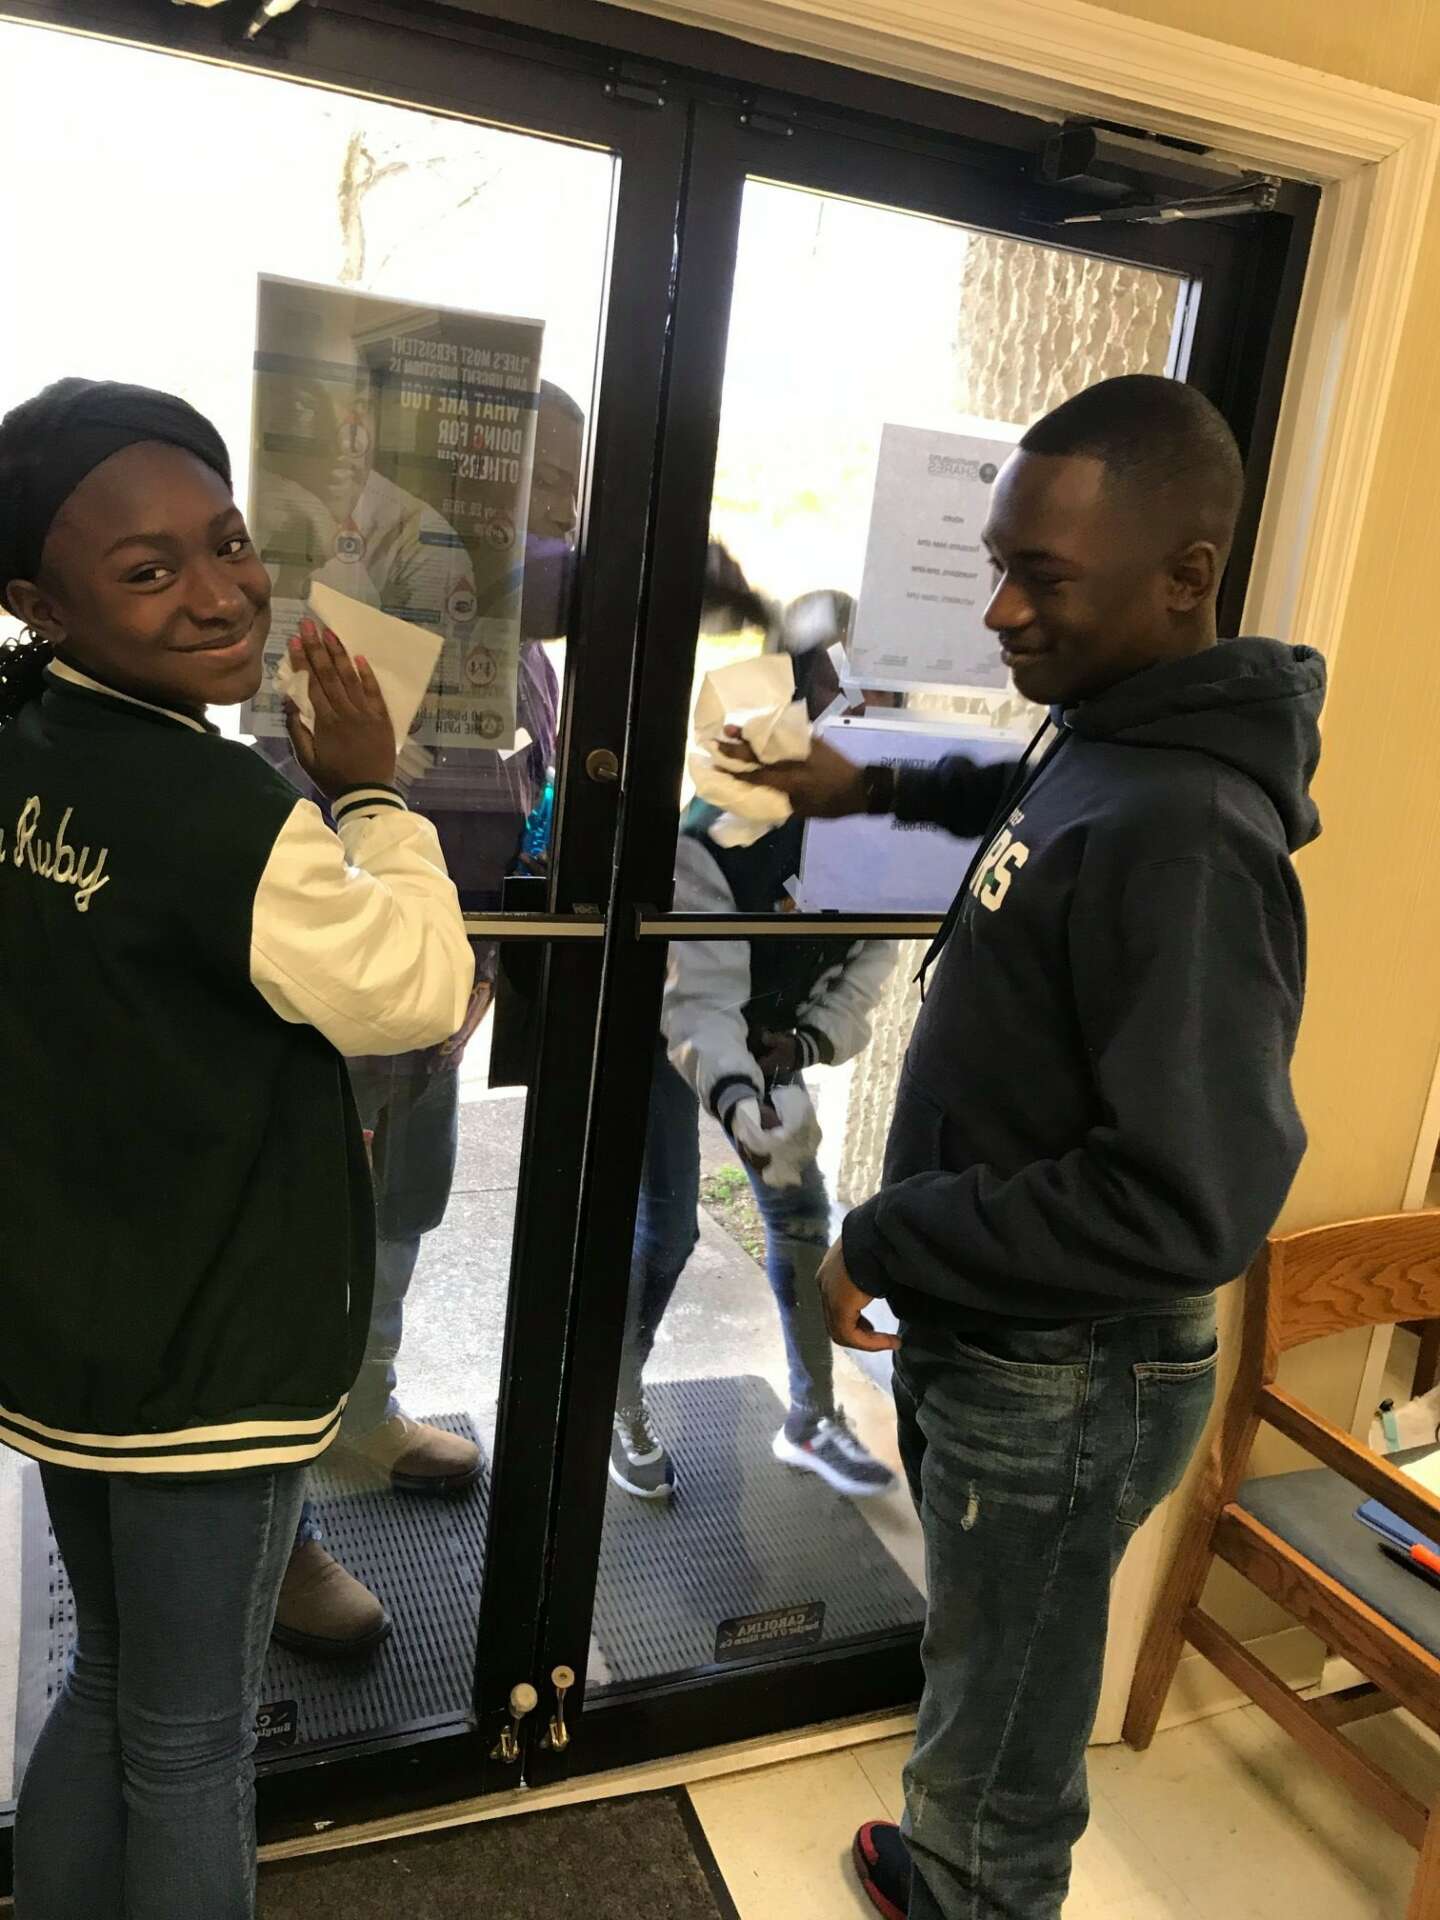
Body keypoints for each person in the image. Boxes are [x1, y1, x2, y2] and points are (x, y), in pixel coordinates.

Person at [736, 374, 1325, 1920]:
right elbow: (1013, 811)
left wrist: (890, 1236)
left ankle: (973, 1888)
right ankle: (945, 1868)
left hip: (1066, 1373)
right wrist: (863, 784)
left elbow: (1183, 1204)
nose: (999, 611)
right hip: (1005, 1337)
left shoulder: (1190, 832)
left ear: (1185, 576)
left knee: (1008, 1730)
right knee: (984, 1657)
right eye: (999, 566)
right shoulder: (1105, 738)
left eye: (1041, 579)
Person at [0, 378, 473, 1918]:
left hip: (69, 1337)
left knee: (112, 1677)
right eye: (150, 570)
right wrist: (375, 792)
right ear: (38, 604)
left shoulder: (23, 745)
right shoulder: (226, 814)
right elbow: (420, 987)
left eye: (227, 541)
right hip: (210, 1358)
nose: (220, 593)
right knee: (193, 1743)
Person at [252, 381, 579, 1657]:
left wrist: (485, 968)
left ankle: (361, 1419)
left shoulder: (522, 657)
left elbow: (525, 814)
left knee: (401, 1222)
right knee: (300, 1266)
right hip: (335, 1010)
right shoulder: (347, 622)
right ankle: (272, 1535)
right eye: (543, 488)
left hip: (445, 1004)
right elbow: (287, 808)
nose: (562, 518)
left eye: (572, 491)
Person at [612, 623, 897, 1503]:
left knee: (801, 1217)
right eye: (851, 696)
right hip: (666, 1027)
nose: (872, 718)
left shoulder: (877, 824)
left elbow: (874, 953)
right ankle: (612, 1402)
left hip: (772, 1028)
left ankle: (810, 1418)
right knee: (668, 1228)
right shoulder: (713, 829)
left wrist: (807, 1043)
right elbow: (696, 999)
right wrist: (741, 1090)